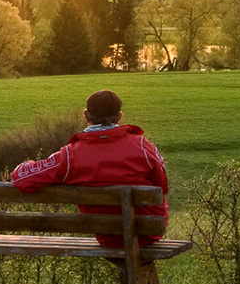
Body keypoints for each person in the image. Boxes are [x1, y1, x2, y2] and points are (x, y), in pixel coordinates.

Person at [10, 89, 168, 247]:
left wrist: (26, 165)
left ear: (85, 115)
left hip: (108, 237)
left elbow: (22, 178)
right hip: (147, 234)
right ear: (119, 116)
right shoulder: (143, 146)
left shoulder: (70, 156)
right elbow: (162, 185)